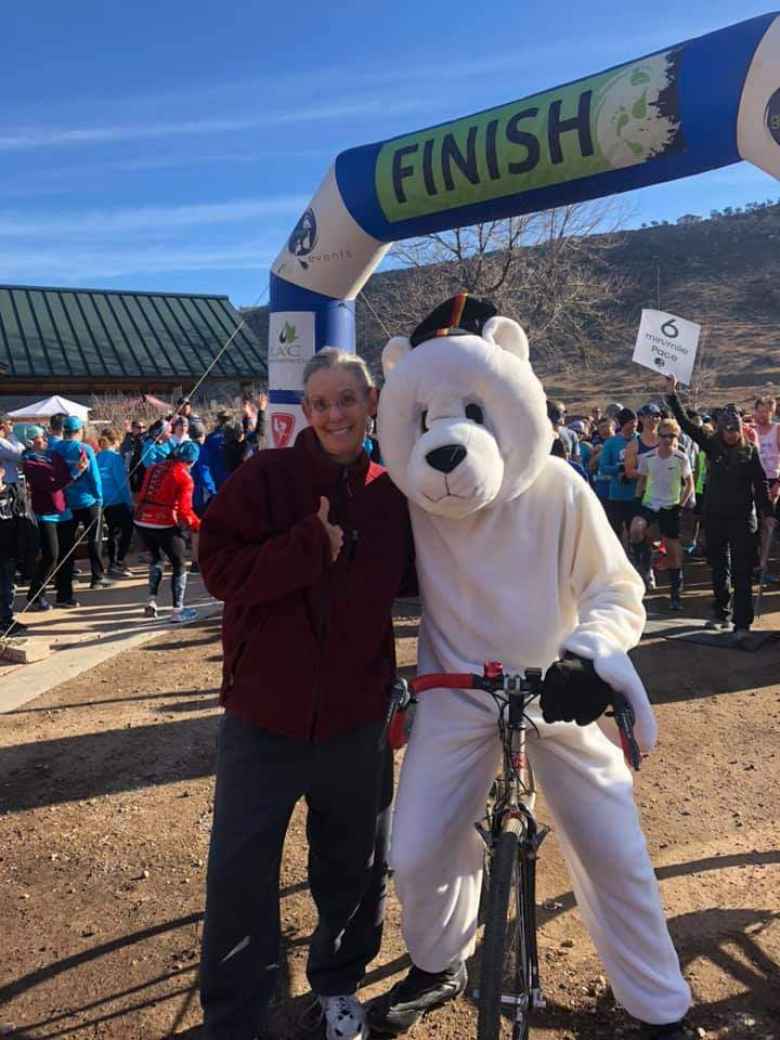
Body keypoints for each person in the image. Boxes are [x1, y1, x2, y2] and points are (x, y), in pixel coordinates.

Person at [197, 348, 416, 1040]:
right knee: (239, 875)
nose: (333, 415)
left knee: (352, 866)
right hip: (263, 718)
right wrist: (305, 547)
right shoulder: (268, 477)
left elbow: (429, 580)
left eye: (345, 400)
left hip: (356, 718)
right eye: (319, 404)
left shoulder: (395, 491)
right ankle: (235, 1016)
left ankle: (339, 986)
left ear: (371, 400)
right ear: (304, 410)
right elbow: (218, 570)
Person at [665, 376, 775, 640]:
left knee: (741, 569)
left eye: (733, 431)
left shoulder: (749, 453)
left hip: (742, 518)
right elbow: (686, 425)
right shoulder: (711, 442)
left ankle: (742, 621)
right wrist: (672, 395)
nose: (729, 435)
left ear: (739, 430)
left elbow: (760, 485)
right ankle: (721, 612)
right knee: (718, 566)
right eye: (725, 430)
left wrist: (768, 513)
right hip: (715, 516)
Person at [134, 440, 202, 623]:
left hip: (141, 519)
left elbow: (142, 494)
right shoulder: (184, 477)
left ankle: (151, 601)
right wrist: (197, 525)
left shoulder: (154, 468)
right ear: (192, 461)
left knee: (156, 559)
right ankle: (177, 610)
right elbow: (184, 511)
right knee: (179, 563)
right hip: (163, 522)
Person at [22, 426, 86, 611]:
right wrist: (74, 472)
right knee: (51, 555)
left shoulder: (54, 454)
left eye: (43, 435)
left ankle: (65, 596)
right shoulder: (29, 461)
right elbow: (51, 483)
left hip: (63, 509)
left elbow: (62, 477)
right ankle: (36, 594)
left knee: (66, 554)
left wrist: (74, 471)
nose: (43, 439)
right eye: (38, 437)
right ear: (30, 440)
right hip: (46, 512)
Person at [634, 419, 694, 611]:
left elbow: (689, 484)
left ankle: (675, 594)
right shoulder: (647, 457)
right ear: (658, 436)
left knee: (673, 550)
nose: (667, 439)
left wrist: (681, 505)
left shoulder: (681, 458)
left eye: (672, 436)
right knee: (636, 528)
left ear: (676, 437)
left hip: (670, 506)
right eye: (664, 435)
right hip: (650, 504)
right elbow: (641, 481)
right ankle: (643, 567)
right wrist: (637, 501)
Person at [50, 416, 112, 590]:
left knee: (66, 543)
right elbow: (94, 476)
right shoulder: (84, 448)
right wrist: (99, 497)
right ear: (79, 431)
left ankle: (65, 580)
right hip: (88, 500)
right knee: (95, 539)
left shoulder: (55, 449)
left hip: (66, 502)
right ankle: (97, 578)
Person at [626, 404, 662, 587]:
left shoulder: (666, 440)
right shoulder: (635, 444)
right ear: (641, 418)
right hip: (643, 494)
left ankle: (672, 586)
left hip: (665, 495)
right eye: (648, 416)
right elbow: (629, 471)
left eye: (656, 416)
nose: (652, 419)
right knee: (636, 531)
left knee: (655, 536)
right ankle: (643, 568)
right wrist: (647, 472)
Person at [597, 407, 639, 545]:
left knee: (636, 531)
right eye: (631, 422)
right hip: (617, 494)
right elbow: (603, 468)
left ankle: (637, 559)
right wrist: (621, 468)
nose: (634, 425)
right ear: (623, 424)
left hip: (637, 494)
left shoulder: (641, 440)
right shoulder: (611, 443)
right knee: (616, 532)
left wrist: (634, 470)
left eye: (635, 422)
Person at [97, 428, 134, 578]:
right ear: (115, 441)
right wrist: (129, 502)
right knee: (125, 531)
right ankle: (118, 561)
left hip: (103, 501)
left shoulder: (97, 456)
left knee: (113, 531)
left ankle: (114, 562)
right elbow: (122, 483)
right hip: (117, 499)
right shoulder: (115, 457)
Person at [0, 459, 28, 636]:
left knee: (7, 586)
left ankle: (6, 618)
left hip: (8, 547)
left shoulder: (12, 492)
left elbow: (21, 518)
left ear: (2, 472)